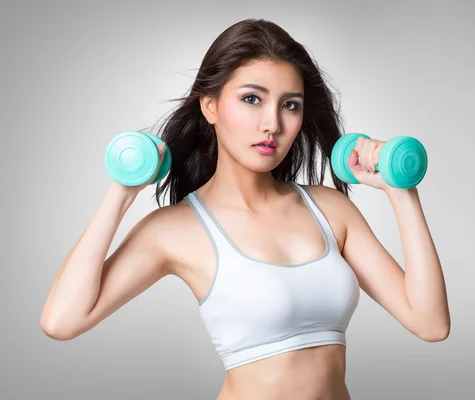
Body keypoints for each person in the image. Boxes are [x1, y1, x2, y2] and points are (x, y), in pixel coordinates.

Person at [40, 18, 450, 400]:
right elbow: (62, 320)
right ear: (211, 106)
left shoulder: (330, 208)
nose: (271, 123)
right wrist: (121, 193)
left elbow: (430, 323)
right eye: (252, 98)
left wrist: (400, 191)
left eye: (290, 105)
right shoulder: (175, 229)